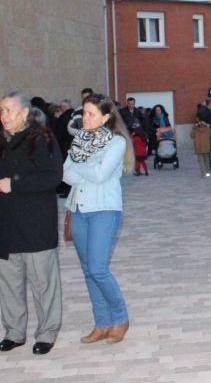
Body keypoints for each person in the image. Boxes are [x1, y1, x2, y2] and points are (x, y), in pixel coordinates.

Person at [63, 95, 132, 345]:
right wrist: (87, 167)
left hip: (104, 209)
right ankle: (102, 322)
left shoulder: (116, 143)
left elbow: (101, 175)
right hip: (79, 208)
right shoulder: (79, 140)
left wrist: (82, 165)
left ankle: (121, 318)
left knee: (98, 268)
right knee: (87, 270)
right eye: (84, 113)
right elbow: (65, 174)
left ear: (106, 117)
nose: (85, 118)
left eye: (91, 113)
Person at [0, 91, 64, 355]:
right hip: (6, 225)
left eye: (8, 110)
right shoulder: (2, 140)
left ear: (25, 113)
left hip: (36, 224)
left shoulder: (42, 138)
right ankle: (14, 332)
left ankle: (46, 333)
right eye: (1, 111)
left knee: (43, 283)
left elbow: (53, 177)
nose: (3, 116)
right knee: (9, 283)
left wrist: (14, 184)